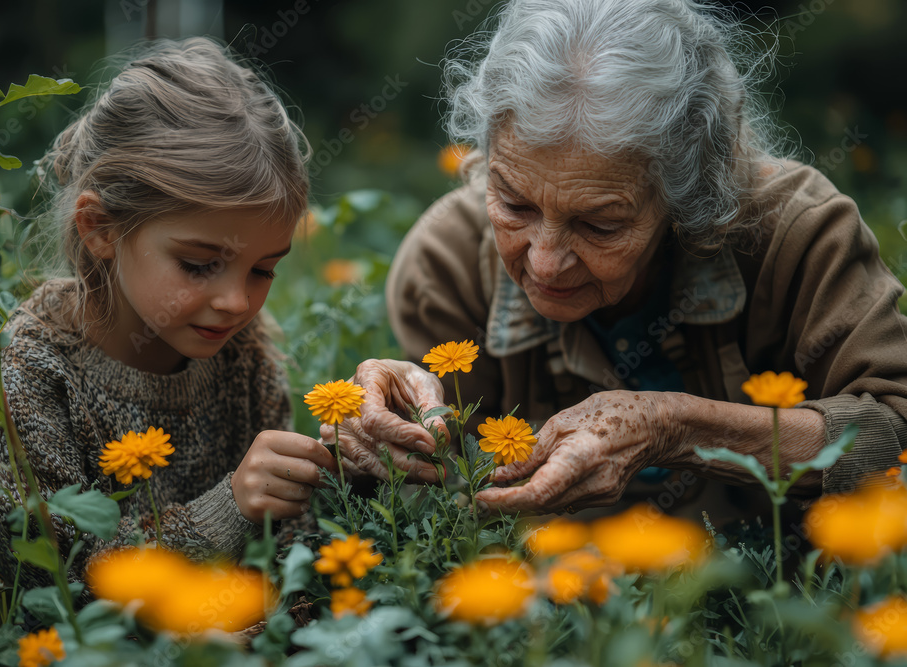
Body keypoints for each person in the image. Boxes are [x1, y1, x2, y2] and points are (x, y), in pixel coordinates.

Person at [335, 0, 907, 522]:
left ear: (689, 197)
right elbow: (436, 503)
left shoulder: (800, 237)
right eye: (514, 203)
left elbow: (896, 430)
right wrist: (379, 436)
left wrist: (676, 427)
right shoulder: (447, 261)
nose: (546, 262)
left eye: (599, 224)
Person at [0, 37, 337, 588]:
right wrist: (227, 510)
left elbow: (291, 555)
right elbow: (51, 586)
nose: (236, 302)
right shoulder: (23, 379)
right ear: (102, 229)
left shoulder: (245, 360)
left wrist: (364, 470)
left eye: (262, 270)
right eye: (200, 264)